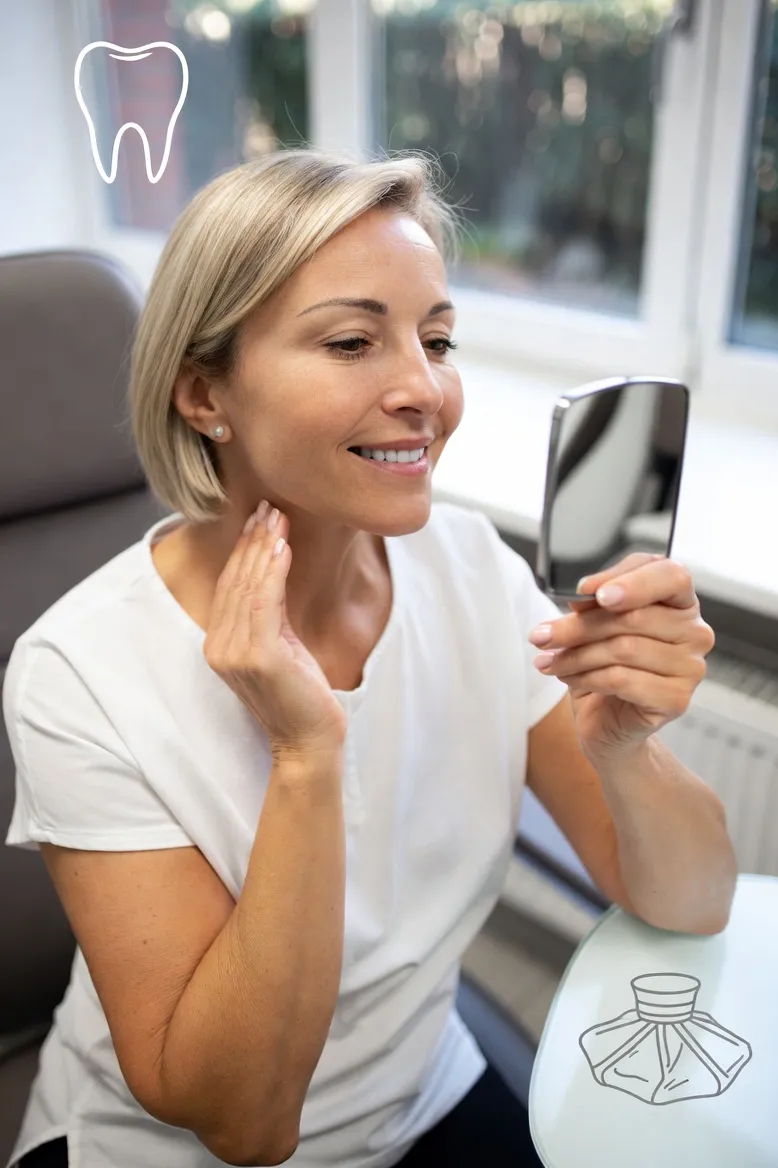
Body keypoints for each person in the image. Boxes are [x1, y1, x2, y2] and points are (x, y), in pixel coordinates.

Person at [4, 148, 736, 1168]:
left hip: (419, 1092)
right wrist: (306, 757)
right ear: (204, 394)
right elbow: (247, 1126)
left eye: (436, 339)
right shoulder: (78, 671)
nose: (422, 390)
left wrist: (624, 748)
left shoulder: (471, 568)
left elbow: (692, 902)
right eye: (352, 341)